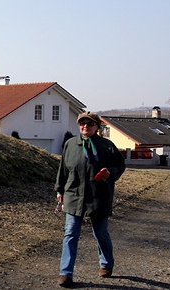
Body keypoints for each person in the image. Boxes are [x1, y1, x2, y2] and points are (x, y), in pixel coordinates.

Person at [54, 112, 126, 287]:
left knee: (100, 233)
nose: (85, 126)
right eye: (82, 123)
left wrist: (110, 173)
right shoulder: (71, 144)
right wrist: (59, 189)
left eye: (90, 123)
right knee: (70, 234)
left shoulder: (107, 146)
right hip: (74, 196)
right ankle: (66, 273)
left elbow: (119, 165)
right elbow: (63, 169)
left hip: (98, 196)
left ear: (97, 127)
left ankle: (106, 264)